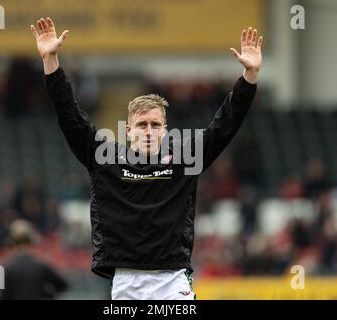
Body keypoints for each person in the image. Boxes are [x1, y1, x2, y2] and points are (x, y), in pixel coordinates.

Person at [30, 17, 263, 300]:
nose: (149, 131)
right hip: (126, 282)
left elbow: (225, 124)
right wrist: (51, 62)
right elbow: (70, 118)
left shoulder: (184, 158)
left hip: (173, 280)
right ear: (128, 131)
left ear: (165, 129)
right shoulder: (106, 159)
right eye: (142, 125)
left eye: (155, 124)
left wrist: (249, 78)